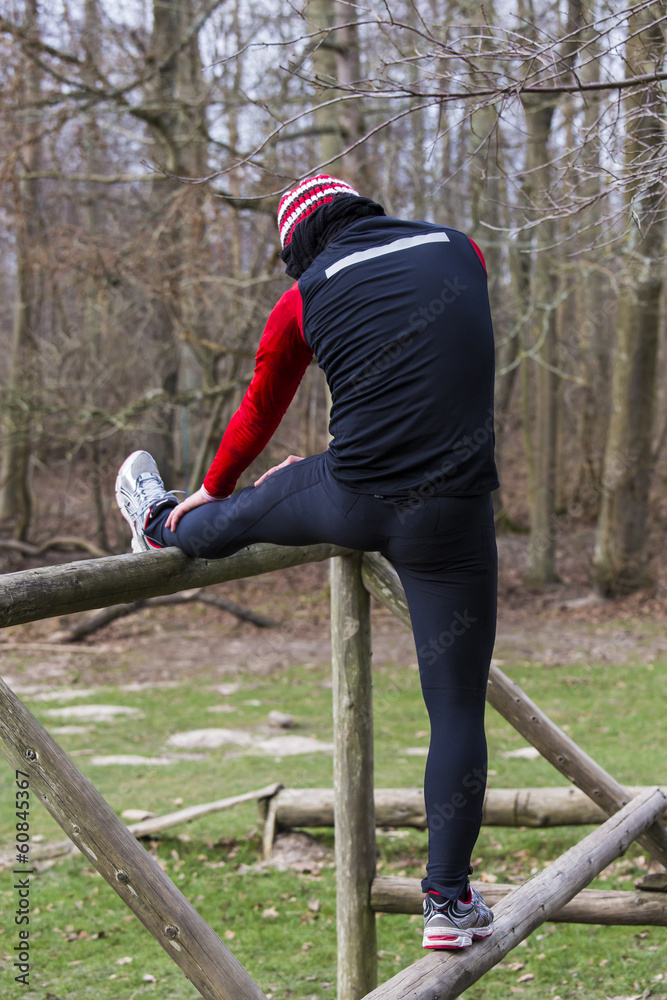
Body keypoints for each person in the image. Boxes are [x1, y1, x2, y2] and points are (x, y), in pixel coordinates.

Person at [116, 174, 498, 950]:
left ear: (300, 245)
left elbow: (264, 401)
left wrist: (218, 485)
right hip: (455, 511)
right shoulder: (461, 248)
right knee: (456, 708)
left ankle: (157, 521)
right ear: (358, 212)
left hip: (354, 496)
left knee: (246, 509)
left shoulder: (302, 296)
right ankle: (447, 903)